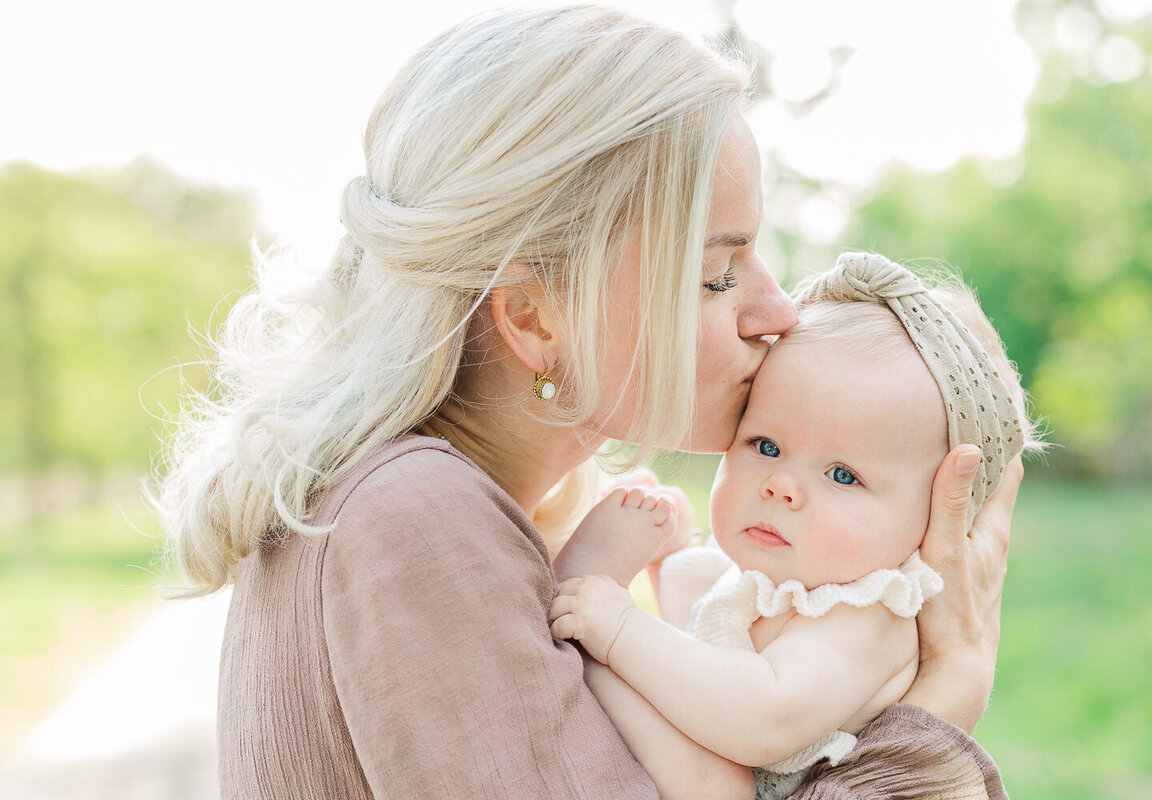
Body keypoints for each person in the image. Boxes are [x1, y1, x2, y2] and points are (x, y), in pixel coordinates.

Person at [155, 6, 1025, 798]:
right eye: (717, 276)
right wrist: (939, 710)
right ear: (534, 319)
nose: (778, 310)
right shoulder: (414, 519)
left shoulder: (455, 515)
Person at [551, 252, 1045, 800]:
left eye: (842, 474)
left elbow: (760, 718)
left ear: (936, 518)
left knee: (713, 780)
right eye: (766, 446)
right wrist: (670, 558)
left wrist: (618, 627)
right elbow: (710, 644)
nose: (781, 485)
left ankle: (582, 619)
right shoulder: (789, 582)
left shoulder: (867, 616)